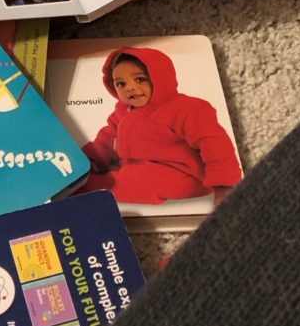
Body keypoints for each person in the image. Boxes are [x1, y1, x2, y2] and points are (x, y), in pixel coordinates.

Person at [80, 46, 241, 207]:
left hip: (183, 174)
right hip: (135, 164)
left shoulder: (185, 108)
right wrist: (89, 158)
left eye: (140, 79)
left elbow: (214, 143)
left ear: (161, 78)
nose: (129, 87)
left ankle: (91, 188)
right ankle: (80, 175)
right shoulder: (123, 110)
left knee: (139, 182)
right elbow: (107, 138)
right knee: (116, 166)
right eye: (121, 83)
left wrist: (224, 185)